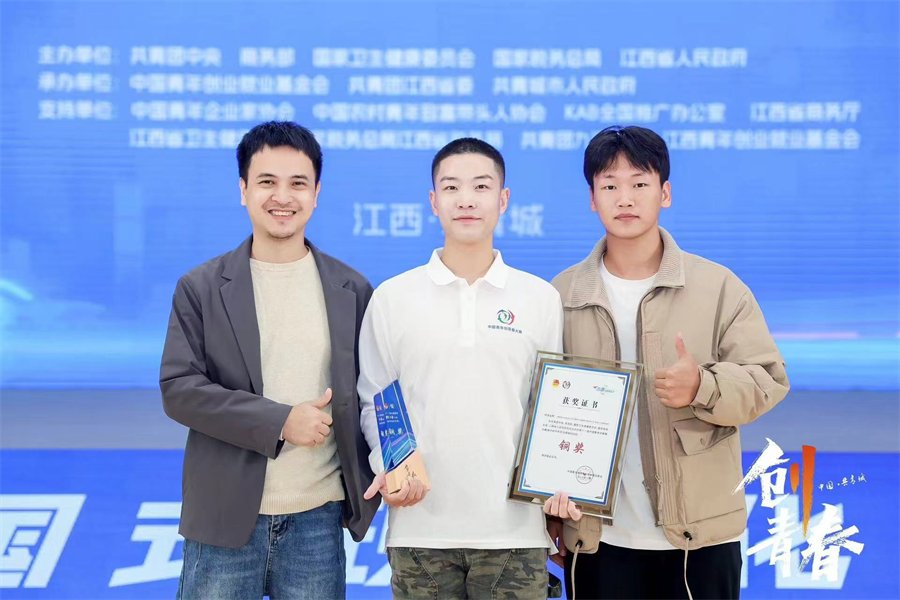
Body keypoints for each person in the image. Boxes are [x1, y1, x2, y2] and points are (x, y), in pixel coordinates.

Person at [545, 125, 790, 600]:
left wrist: (702, 387)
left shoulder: (717, 286)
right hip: (597, 538)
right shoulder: (560, 294)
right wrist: (546, 507)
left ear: (666, 193)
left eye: (640, 183)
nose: (625, 198)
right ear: (592, 199)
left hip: (700, 537)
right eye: (609, 186)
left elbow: (768, 380)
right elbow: (540, 409)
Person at [160, 121, 378, 600]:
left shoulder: (352, 289)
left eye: (298, 183)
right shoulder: (201, 287)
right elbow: (179, 389)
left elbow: (374, 396)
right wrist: (280, 421)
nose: (283, 197)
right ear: (243, 190)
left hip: (318, 518)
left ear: (316, 193)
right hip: (224, 515)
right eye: (266, 182)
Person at [358, 138, 563, 599]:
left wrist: (561, 487)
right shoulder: (393, 297)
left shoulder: (540, 299)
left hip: (515, 533)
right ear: (434, 201)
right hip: (420, 530)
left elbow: (551, 411)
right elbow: (375, 400)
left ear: (503, 199)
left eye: (481, 186)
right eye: (451, 187)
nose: (466, 199)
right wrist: (394, 470)